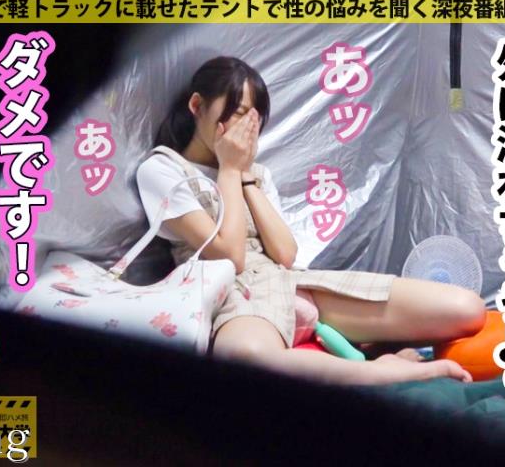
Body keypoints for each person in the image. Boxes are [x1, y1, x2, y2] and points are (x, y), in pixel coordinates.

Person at [136, 56, 486, 385]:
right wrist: (228, 168)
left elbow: (285, 254)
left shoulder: (255, 174)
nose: (244, 129)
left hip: (291, 283)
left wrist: (244, 176)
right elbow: (230, 256)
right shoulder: (163, 169)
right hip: (235, 297)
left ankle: (366, 348)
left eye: (253, 120)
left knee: (467, 309)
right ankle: (384, 369)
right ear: (196, 106)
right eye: (238, 113)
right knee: (245, 357)